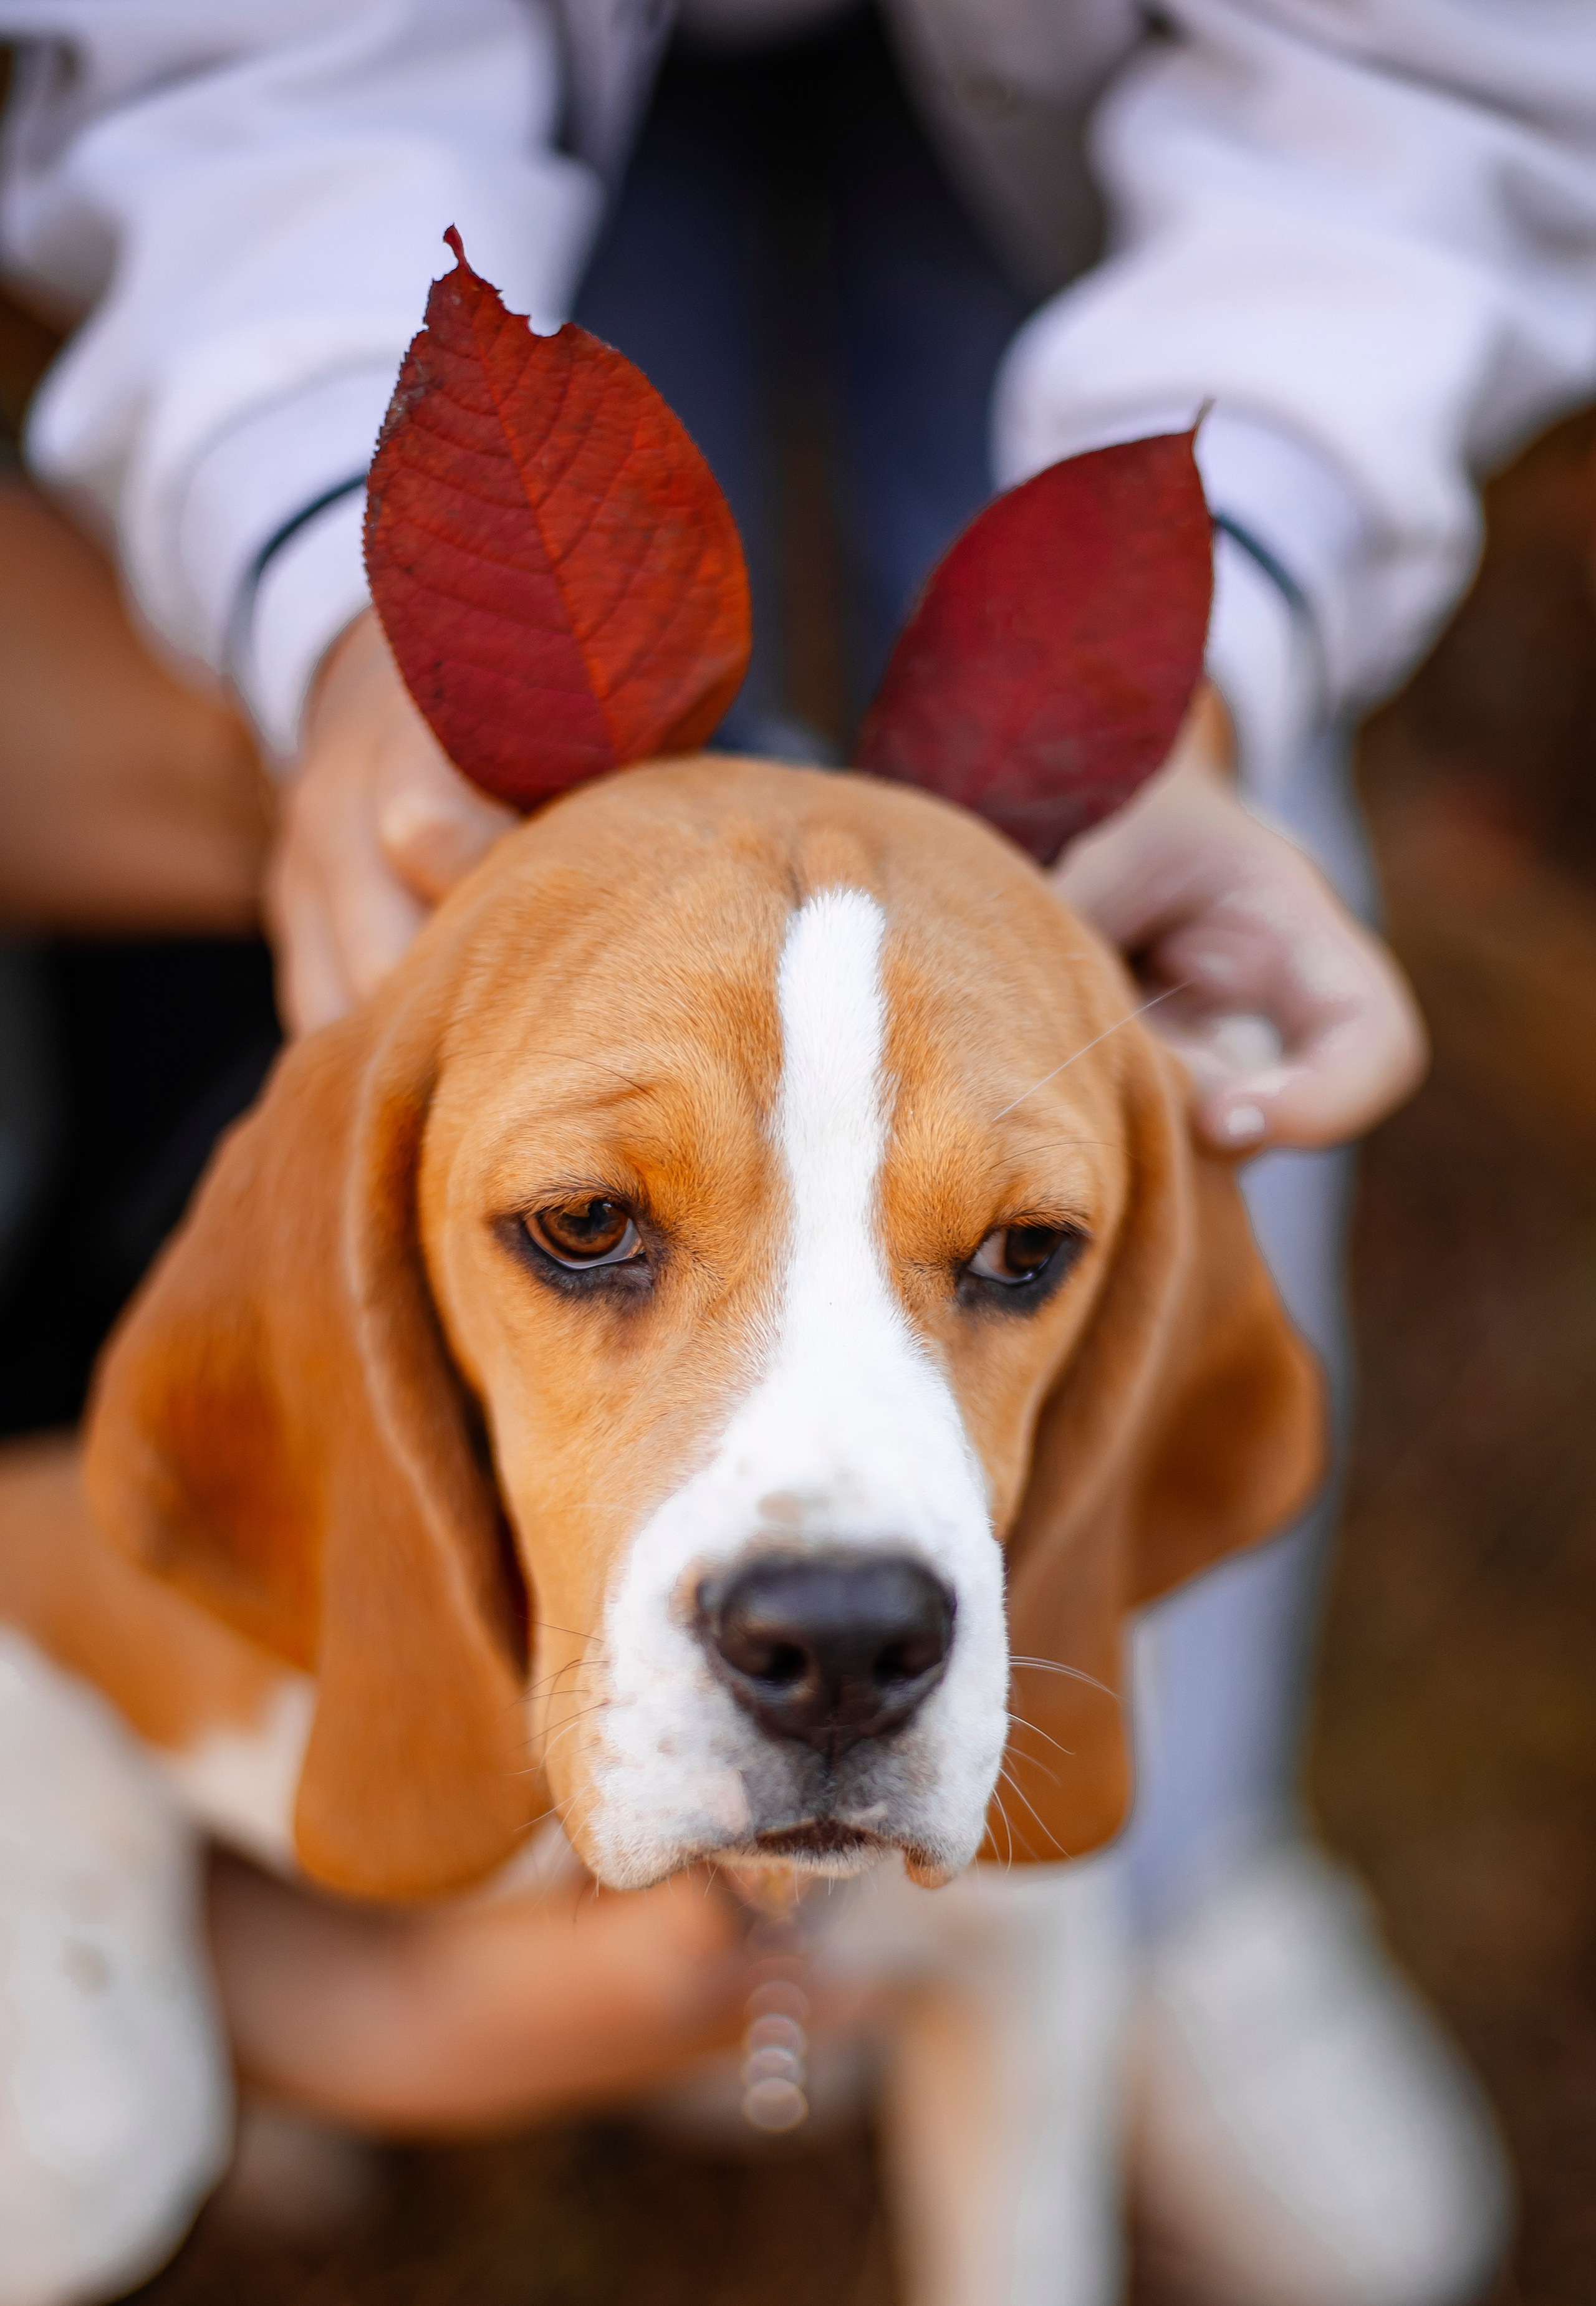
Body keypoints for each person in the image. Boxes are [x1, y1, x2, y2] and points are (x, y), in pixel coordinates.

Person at [1, 2, 1594, 2297]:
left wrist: (1218, 647)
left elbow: (1457, 79)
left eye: (1019, 1253)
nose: (852, 1580)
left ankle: (1185, 1861)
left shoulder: (1034, 1473)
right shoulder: (318, 1335)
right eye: (591, 1228)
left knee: (1152, 930)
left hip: (1194, 97)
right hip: (379, 88)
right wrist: (338, 587)